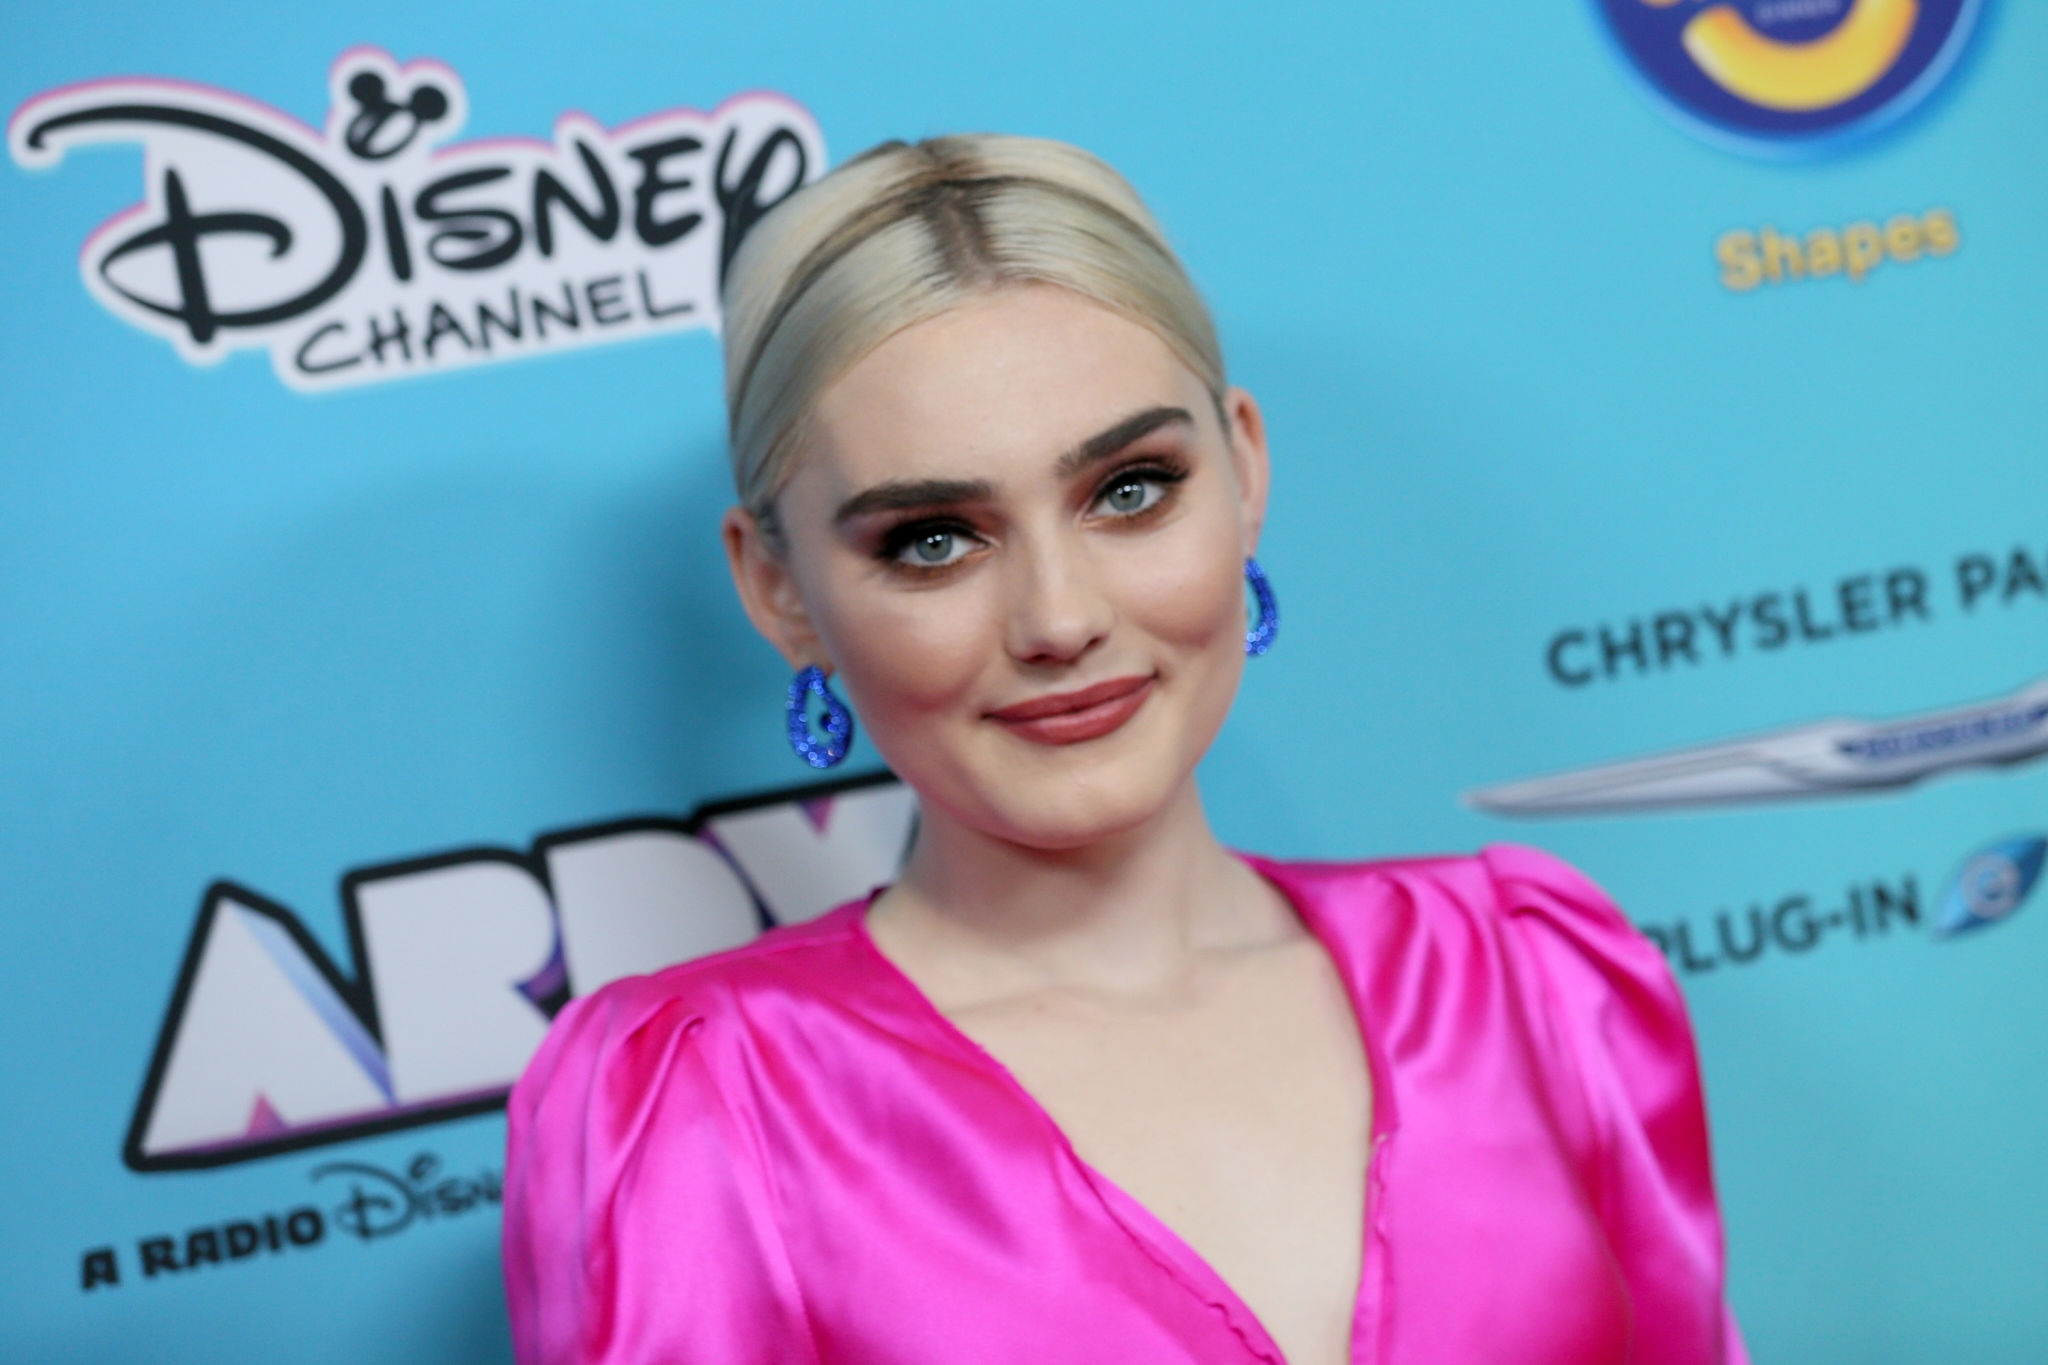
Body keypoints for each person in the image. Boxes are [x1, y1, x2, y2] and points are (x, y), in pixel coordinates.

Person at [502, 134, 1747, 1365]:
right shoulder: (699, 1108)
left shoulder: (1532, 981)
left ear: (1242, 469)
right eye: (933, 540)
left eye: (1130, 489)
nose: (1059, 619)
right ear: (777, 590)